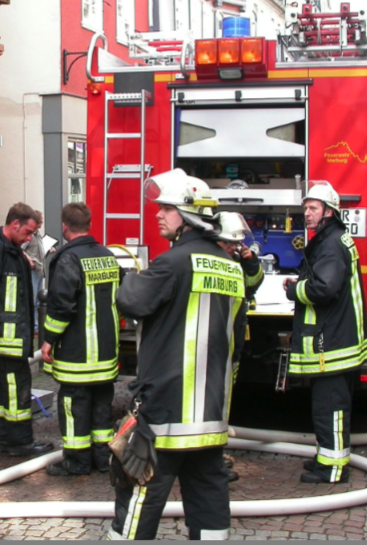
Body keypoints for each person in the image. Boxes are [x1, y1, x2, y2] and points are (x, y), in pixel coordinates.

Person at [108, 169, 246, 540]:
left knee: (139, 495)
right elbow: (238, 342)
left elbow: (130, 302)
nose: (158, 214)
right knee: (210, 502)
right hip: (212, 417)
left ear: (188, 216)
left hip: (166, 417)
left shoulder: (171, 264)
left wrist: (131, 276)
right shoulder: (233, 269)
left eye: (167, 208)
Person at [283, 181, 367, 484]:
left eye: (313, 208)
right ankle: (328, 458)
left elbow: (325, 288)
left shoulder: (331, 243)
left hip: (332, 343)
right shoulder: (332, 238)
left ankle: (333, 469)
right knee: (330, 406)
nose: (306, 214)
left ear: (329, 212)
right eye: (305, 208)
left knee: (330, 408)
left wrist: (295, 290)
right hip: (338, 338)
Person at [0, 202, 53, 457]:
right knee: (18, 386)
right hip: (4, 336)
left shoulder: (9, 249)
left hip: (11, 336)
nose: (29, 238)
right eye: (27, 232)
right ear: (15, 224)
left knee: (1, 387)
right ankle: (20, 441)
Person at [41, 203, 123, 476]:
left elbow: (62, 307)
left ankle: (76, 462)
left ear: (65, 226)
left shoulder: (67, 259)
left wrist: (49, 339)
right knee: (102, 404)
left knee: (74, 405)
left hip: (77, 353)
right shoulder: (108, 256)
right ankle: (102, 458)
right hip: (106, 352)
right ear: (89, 224)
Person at [214, 211, 264, 484]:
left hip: (231, 345)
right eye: (232, 243)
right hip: (217, 347)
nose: (236, 247)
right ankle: (211, 458)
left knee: (223, 403)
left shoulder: (234, 260)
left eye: (238, 244)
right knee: (213, 404)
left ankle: (215, 453)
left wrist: (251, 262)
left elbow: (252, 286)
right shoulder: (213, 261)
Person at [23, 210, 46, 334]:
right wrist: (29, 260)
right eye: (40, 221)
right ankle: (33, 327)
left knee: (38, 301)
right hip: (33, 271)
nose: (42, 223)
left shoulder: (37, 234)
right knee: (32, 300)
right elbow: (21, 249)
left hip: (39, 270)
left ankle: (36, 326)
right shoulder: (30, 235)